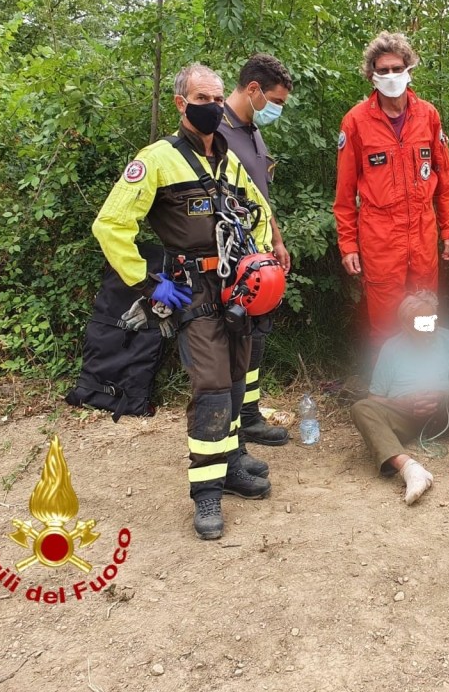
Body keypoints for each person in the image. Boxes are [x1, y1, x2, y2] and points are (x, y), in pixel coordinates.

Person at [92, 63, 277, 541]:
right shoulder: (157, 159)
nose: (212, 107)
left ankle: (230, 463)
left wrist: (258, 262)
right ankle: (206, 491)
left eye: (216, 99)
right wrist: (147, 282)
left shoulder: (229, 161)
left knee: (235, 377)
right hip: (191, 290)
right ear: (181, 103)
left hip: (236, 287)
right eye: (201, 99)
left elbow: (257, 211)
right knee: (211, 385)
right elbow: (110, 225)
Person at [333, 31, 449, 345]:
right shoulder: (355, 122)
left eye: (397, 68)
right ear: (372, 76)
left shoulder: (428, 116)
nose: (391, 75)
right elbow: (345, 193)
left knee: (425, 314)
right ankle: (388, 376)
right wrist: (348, 244)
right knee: (386, 322)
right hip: (380, 239)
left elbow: (445, 180)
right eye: (383, 70)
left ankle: (426, 372)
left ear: (409, 70)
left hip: (423, 234)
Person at [351, 291, 449, 504]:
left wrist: (442, 395)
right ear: (405, 325)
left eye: (432, 320)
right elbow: (374, 398)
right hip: (404, 419)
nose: (430, 327)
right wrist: (404, 403)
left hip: (444, 414)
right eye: (421, 323)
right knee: (360, 408)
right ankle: (411, 471)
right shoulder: (391, 348)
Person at [220, 53, 294, 448]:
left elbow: (260, 197)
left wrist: (277, 241)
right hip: (230, 258)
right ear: (253, 89)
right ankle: (229, 428)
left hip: (260, 256)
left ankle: (248, 415)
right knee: (232, 343)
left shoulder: (252, 131)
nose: (278, 109)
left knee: (257, 336)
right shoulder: (215, 131)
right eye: (276, 101)